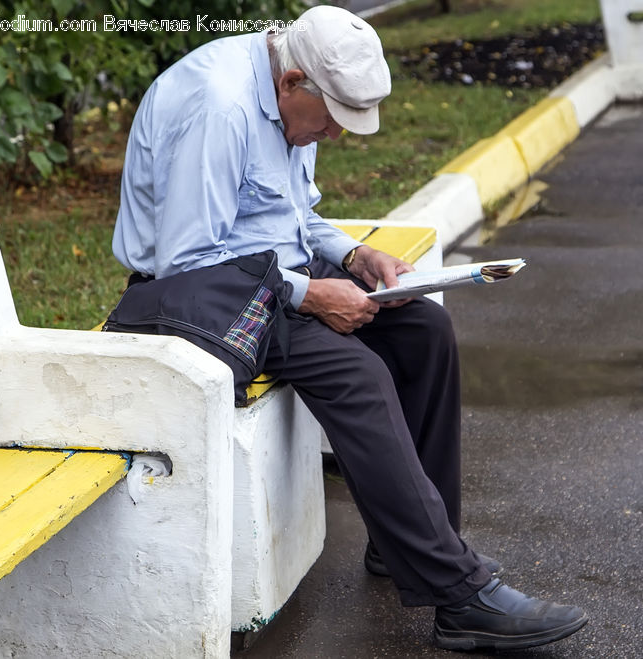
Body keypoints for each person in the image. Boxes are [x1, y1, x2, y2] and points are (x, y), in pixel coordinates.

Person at [111, 4, 588, 651]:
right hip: (198, 299)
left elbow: (294, 217)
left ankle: (411, 548)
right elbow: (189, 262)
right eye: (333, 117)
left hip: (265, 275)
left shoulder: (285, 89)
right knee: (357, 371)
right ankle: (458, 593)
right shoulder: (219, 108)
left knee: (423, 332)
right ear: (292, 82)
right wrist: (313, 295)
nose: (336, 134)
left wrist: (356, 257)